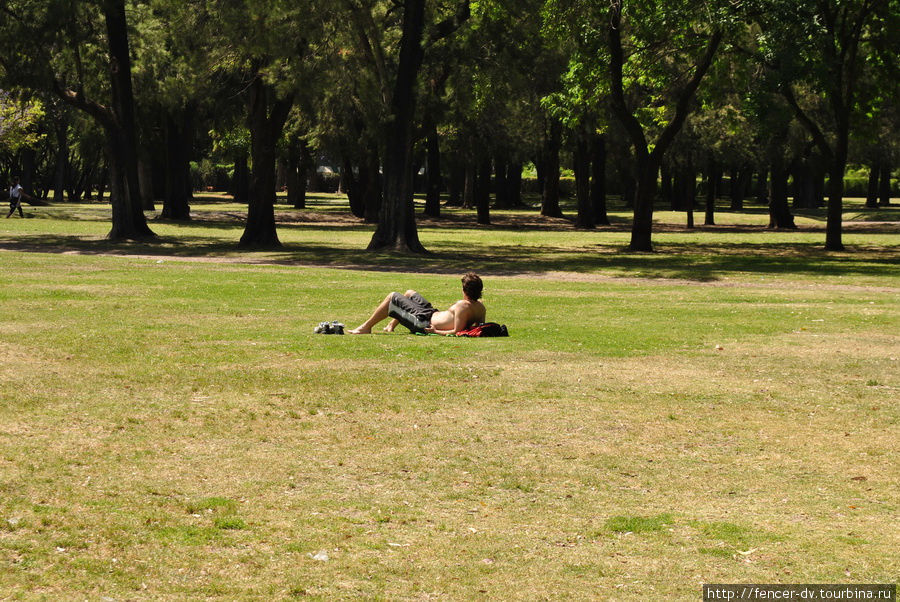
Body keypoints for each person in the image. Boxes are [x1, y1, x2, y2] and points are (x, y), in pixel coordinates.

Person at [349, 272, 486, 335]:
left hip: (424, 322)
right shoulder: (480, 307)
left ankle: (366, 327)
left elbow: (457, 331)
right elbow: (478, 327)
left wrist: (435, 331)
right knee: (409, 293)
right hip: (431, 313)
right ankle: (390, 325)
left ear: (464, 290)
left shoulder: (463, 306)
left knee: (393, 297)